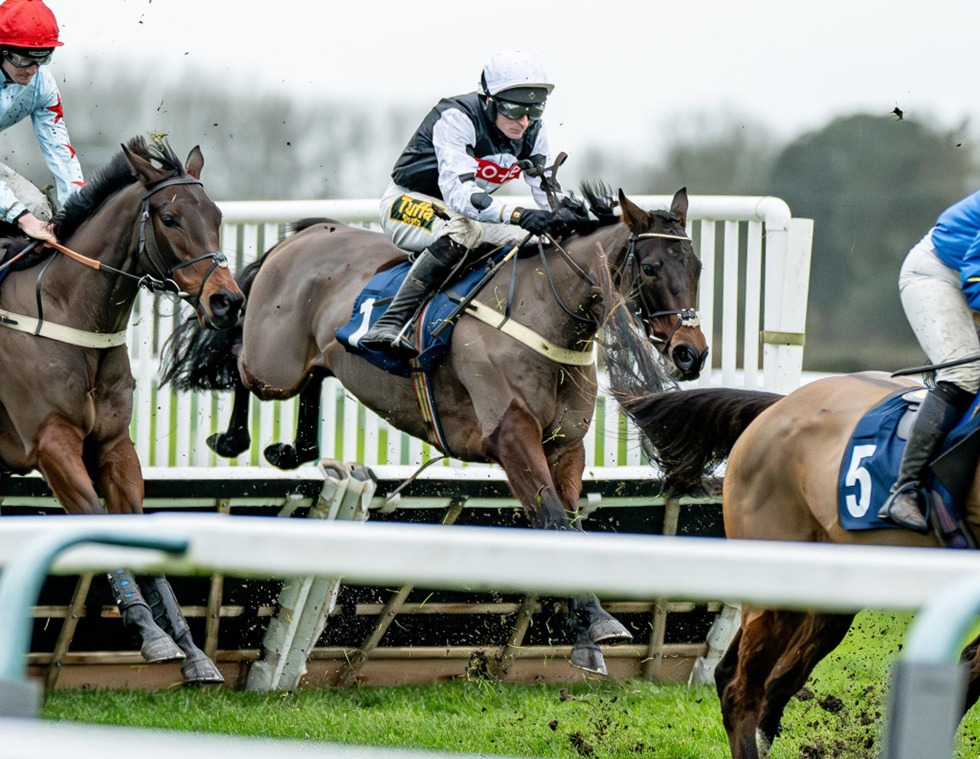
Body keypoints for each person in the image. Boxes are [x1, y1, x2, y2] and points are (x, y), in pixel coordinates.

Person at [361, 49, 586, 357]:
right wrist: (517, 213)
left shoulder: (533, 129)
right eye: (514, 109)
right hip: (407, 202)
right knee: (462, 230)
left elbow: (545, 190)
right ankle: (391, 321)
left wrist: (571, 214)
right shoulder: (456, 118)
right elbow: (459, 194)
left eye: (534, 110)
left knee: (535, 241)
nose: (523, 122)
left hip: (467, 214)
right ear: (488, 100)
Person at [878, 191, 980, 531]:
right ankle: (904, 489)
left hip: (966, 277)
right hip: (939, 275)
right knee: (965, 372)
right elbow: (974, 280)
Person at [0, 0, 84, 244]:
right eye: (23, 59)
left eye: (43, 58)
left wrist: (79, 210)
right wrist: (21, 216)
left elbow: (60, 152)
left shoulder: (42, 86)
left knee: (39, 209)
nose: (32, 70)